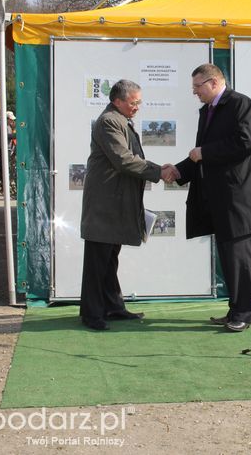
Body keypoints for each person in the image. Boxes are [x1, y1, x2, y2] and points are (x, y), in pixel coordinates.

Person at [163, 64, 251, 332]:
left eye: (197, 87)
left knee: (242, 259)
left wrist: (204, 152)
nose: (195, 93)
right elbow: (200, 155)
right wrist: (179, 170)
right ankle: (234, 310)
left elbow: (245, 142)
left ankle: (244, 314)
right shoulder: (208, 111)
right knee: (229, 259)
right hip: (221, 200)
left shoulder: (240, 104)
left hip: (240, 199)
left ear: (214, 82)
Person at [79, 79, 166, 331]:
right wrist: (160, 171)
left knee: (109, 260)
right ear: (118, 101)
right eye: (133, 102)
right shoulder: (109, 121)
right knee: (97, 262)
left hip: (114, 202)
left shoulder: (119, 119)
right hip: (105, 204)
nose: (137, 106)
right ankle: (91, 314)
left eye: (139, 102)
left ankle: (113, 307)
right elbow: (124, 160)